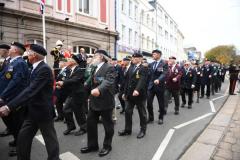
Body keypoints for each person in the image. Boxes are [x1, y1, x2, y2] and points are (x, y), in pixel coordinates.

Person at [0, 44, 60, 160]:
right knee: (23, 138)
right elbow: (26, 88)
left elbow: (30, 90)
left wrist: (9, 107)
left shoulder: (44, 69)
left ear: (34, 55)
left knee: (50, 140)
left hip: (43, 112)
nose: (26, 54)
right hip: (31, 111)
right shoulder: (33, 67)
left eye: (28, 52)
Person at [81, 50, 116, 157]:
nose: (93, 58)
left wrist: (99, 89)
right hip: (93, 101)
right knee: (91, 124)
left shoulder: (109, 67)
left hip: (105, 101)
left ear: (101, 57)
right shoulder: (94, 67)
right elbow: (90, 82)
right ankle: (92, 145)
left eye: (95, 56)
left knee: (107, 125)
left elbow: (108, 81)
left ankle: (107, 146)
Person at [0, 42, 29, 156]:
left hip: (13, 98)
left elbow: (16, 82)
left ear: (15, 50)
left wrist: (2, 96)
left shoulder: (20, 63)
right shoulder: (10, 62)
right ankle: (17, 140)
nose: (9, 49)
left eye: (11, 48)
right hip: (6, 97)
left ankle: (20, 146)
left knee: (17, 124)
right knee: (10, 122)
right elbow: (4, 77)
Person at [119, 52, 148, 138]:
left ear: (139, 59)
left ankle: (143, 130)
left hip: (139, 95)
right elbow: (127, 81)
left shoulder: (144, 68)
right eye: (133, 58)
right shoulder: (131, 67)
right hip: (130, 95)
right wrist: (124, 92)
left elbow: (142, 80)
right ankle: (128, 129)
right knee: (128, 112)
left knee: (142, 113)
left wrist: (137, 90)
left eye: (135, 58)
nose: (133, 59)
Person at [56, 55, 87, 136]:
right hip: (71, 94)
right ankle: (71, 126)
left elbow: (75, 80)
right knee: (66, 110)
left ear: (74, 61)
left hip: (78, 94)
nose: (67, 61)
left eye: (69, 59)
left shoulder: (79, 70)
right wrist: (61, 85)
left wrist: (63, 83)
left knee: (79, 112)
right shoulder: (69, 70)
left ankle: (83, 128)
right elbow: (67, 80)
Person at [147, 49, 168, 124]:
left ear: (159, 55)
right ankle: (151, 118)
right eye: (152, 54)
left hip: (160, 86)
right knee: (149, 103)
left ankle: (161, 117)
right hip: (151, 87)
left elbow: (164, 73)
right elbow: (148, 75)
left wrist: (159, 79)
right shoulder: (151, 64)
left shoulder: (164, 63)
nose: (153, 55)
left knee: (161, 103)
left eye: (154, 54)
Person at [0, 44, 11, 137]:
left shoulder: (11, 61)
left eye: (0, 50)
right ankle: (10, 128)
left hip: (8, 92)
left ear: (5, 51)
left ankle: (12, 130)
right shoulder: (5, 61)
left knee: (10, 115)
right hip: (4, 91)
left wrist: (4, 94)